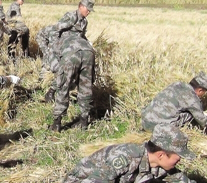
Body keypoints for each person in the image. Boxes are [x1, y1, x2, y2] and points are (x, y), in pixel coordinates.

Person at [63, 124, 196, 183]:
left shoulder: (159, 164)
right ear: (161, 155)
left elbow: (180, 180)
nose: (179, 162)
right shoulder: (126, 157)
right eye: (178, 159)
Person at [45, 0, 95, 103]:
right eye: (88, 9)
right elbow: (56, 29)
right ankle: (51, 92)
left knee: (73, 72)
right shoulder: (71, 16)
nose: (89, 12)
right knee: (62, 72)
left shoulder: (84, 22)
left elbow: (81, 36)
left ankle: (72, 95)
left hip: (75, 50)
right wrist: (55, 47)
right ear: (81, 6)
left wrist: (88, 44)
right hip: (64, 48)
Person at [49, 36, 95, 132]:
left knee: (63, 88)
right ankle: (84, 121)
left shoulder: (53, 44)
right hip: (89, 52)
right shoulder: (78, 37)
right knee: (86, 86)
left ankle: (56, 123)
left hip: (71, 54)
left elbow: (54, 68)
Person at [141, 71, 207, 132]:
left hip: (145, 121)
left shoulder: (177, 84)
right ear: (200, 90)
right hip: (158, 128)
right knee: (191, 116)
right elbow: (203, 122)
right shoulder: (192, 98)